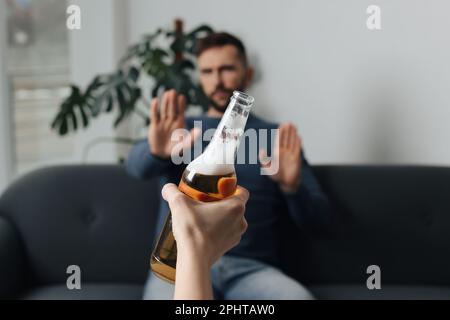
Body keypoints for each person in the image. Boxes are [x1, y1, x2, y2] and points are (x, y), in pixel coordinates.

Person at [126, 32, 330, 300]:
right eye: (207, 71)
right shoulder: (180, 130)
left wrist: (292, 186)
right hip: (178, 263)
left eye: (227, 69)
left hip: (251, 271)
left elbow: (318, 219)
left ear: (247, 73)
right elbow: (135, 168)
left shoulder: (277, 138)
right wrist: (157, 152)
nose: (217, 80)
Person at [163, 183, 249, 300]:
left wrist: (194, 241)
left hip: (249, 266)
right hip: (172, 263)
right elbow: (138, 168)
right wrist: (194, 242)